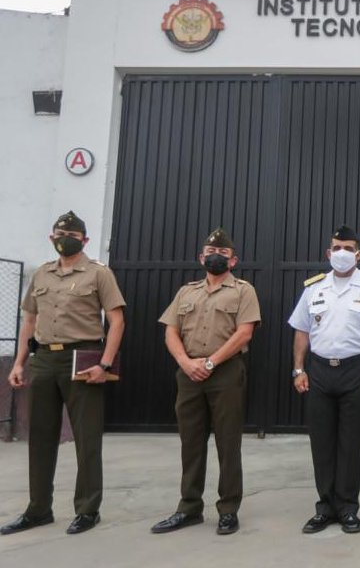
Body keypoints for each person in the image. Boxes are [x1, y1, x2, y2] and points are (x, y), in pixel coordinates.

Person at [1, 211, 125, 536]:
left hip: (82, 358)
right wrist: (18, 363)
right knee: (40, 437)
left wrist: (106, 363)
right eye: (59, 233)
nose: (64, 238)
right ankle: (38, 508)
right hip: (43, 359)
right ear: (51, 237)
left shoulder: (99, 274)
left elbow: (116, 321)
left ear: (84, 240)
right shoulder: (42, 274)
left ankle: (87, 509)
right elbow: (29, 320)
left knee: (87, 437)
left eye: (71, 234)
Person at [289, 225, 360, 535]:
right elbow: (301, 329)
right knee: (322, 442)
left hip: (358, 370)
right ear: (328, 253)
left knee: (352, 444)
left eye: (348, 248)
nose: (342, 253)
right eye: (337, 248)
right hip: (320, 370)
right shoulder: (313, 287)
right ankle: (325, 508)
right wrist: (298, 369)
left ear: (358, 254)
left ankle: (348, 508)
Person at [151, 228, 261, 536]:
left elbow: (244, 333)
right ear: (201, 258)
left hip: (225, 373)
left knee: (228, 443)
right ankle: (188, 508)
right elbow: (170, 330)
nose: (215, 257)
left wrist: (211, 362)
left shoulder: (243, 290)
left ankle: (228, 509)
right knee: (191, 442)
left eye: (223, 254)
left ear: (233, 260)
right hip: (188, 374)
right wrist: (186, 363)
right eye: (210, 253)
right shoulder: (187, 292)